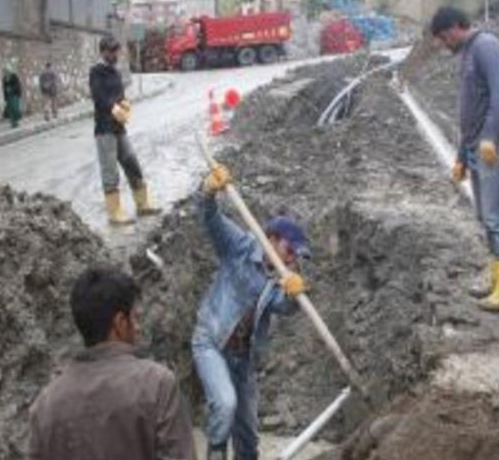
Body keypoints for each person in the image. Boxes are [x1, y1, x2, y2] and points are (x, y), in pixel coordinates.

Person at [193, 163, 307, 460]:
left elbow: (283, 307)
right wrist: (207, 191)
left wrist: (295, 294)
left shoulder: (278, 280)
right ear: (271, 239)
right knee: (225, 405)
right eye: (290, 250)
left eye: (297, 256)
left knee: (247, 436)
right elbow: (209, 218)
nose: (293, 259)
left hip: (242, 359)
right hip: (211, 342)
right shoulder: (240, 246)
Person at [28, 266, 195, 460]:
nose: (138, 327)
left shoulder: (46, 404)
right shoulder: (157, 384)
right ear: (120, 323)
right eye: (135, 317)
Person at [430, 6, 499, 312]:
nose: (443, 44)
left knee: (495, 217)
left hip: (493, 146)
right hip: (477, 147)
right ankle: (497, 278)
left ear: (457, 26)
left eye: (444, 37)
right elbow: (472, 109)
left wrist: (491, 137)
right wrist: (461, 156)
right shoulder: (467, 53)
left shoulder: (486, 46)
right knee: (485, 217)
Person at [89, 35, 161, 225]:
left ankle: (142, 204)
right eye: (111, 51)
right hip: (104, 129)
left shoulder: (115, 72)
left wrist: (125, 104)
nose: (114, 54)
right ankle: (115, 213)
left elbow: (119, 93)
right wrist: (113, 108)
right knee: (110, 172)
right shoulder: (96, 72)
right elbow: (98, 97)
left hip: (119, 129)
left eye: (116, 51)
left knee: (132, 164)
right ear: (102, 52)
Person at [2, 62, 23, 128]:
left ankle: (16, 120)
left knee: (15, 108)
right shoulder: (4, 78)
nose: (6, 72)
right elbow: (4, 88)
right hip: (8, 96)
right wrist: (5, 96)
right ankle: (13, 122)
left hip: (14, 94)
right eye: (5, 71)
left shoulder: (14, 76)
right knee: (10, 109)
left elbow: (17, 85)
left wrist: (12, 89)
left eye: (7, 70)